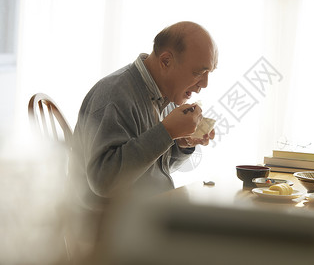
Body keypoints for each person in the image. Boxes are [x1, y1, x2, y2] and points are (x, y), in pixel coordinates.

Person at [67, 21, 218, 252]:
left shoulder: (163, 94)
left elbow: (151, 170)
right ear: (166, 61)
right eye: (199, 73)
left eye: (209, 73)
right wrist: (167, 132)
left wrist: (181, 143)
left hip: (142, 218)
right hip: (108, 233)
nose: (205, 84)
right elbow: (104, 181)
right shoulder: (114, 95)